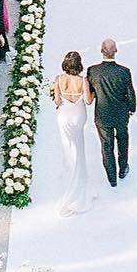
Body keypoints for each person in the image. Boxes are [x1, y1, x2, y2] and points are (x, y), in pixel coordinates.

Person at [51, 50, 96, 216]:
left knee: (67, 145)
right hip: (78, 115)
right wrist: (94, 91)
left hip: (63, 114)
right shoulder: (83, 80)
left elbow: (57, 100)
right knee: (78, 145)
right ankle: (79, 176)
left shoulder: (59, 79)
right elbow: (88, 101)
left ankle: (69, 170)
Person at [87, 39, 136, 188]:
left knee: (106, 145)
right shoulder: (124, 71)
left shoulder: (92, 71)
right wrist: (132, 108)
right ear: (116, 51)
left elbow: (91, 91)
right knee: (123, 139)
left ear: (101, 50)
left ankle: (112, 178)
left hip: (103, 114)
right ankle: (123, 169)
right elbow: (130, 92)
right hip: (121, 112)